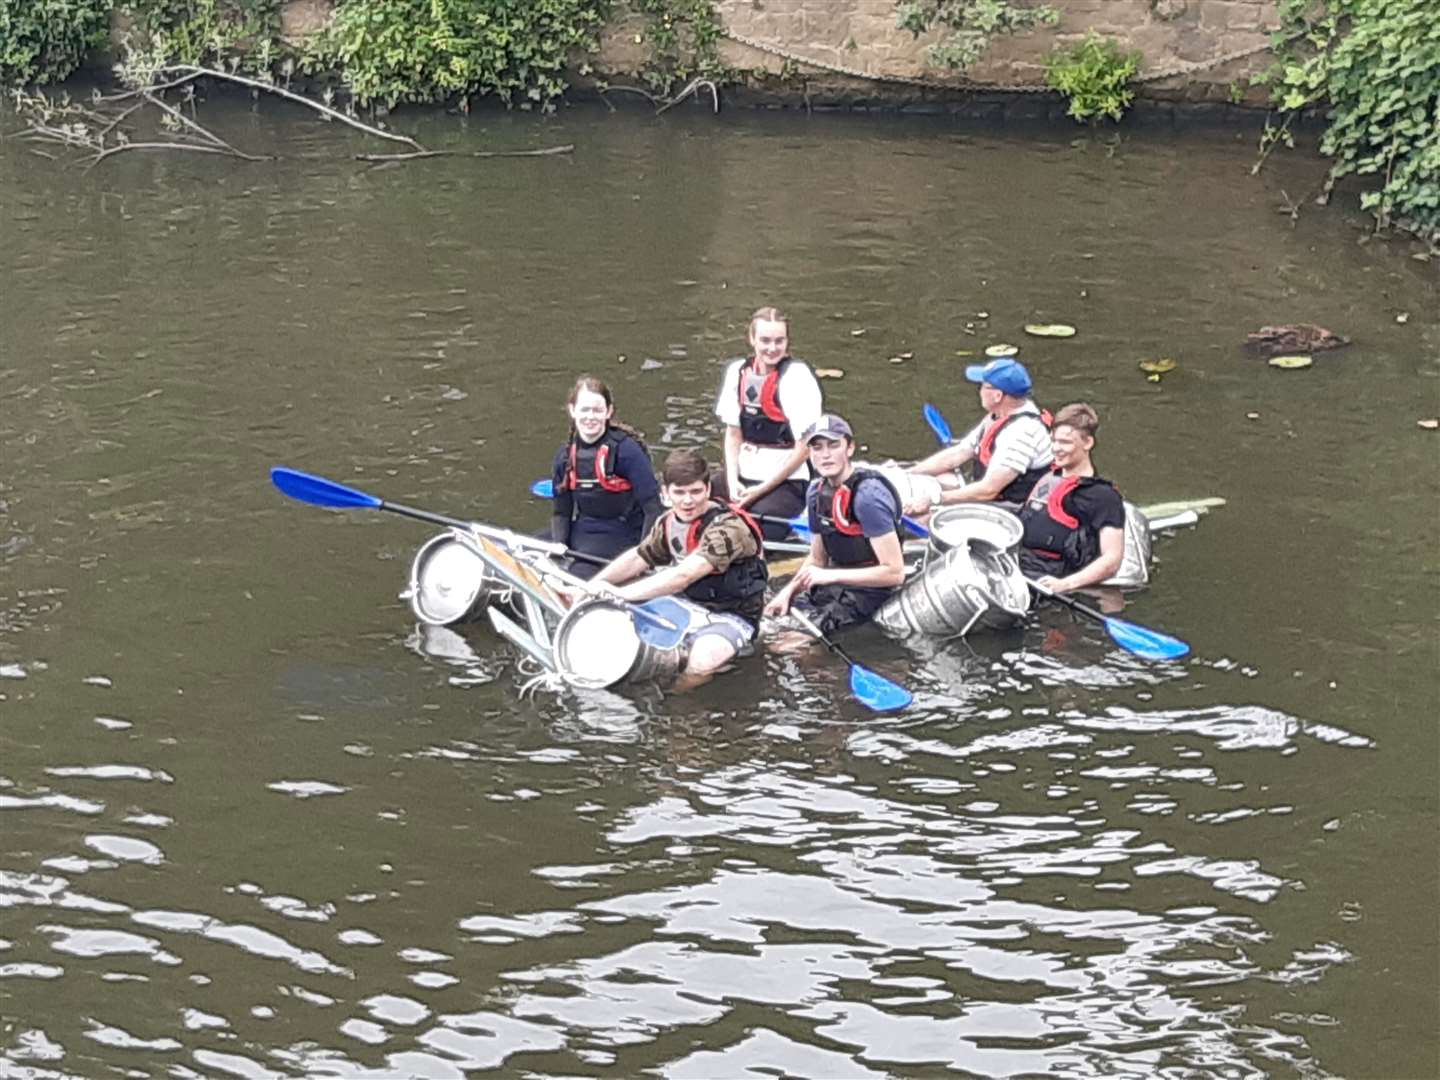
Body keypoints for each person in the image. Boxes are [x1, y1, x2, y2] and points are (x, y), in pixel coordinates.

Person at [588, 449, 768, 677]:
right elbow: (640, 557)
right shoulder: (668, 522)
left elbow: (684, 575)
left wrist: (620, 593)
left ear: (708, 490)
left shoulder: (729, 529)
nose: (688, 501)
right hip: (683, 605)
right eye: (679, 492)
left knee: (702, 662)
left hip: (732, 616)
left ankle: (679, 704)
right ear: (665, 493)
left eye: (696, 491)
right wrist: (592, 586)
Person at [764, 415, 906, 635]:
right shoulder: (815, 492)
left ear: (850, 448)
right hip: (833, 582)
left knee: (787, 645)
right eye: (817, 448)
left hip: (871, 591)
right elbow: (817, 558)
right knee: (771, 627)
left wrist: (831, 575)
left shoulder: (868, 498)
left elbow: (895, 573)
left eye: (833, 445)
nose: (825, 455)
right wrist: (788, 591)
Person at [714, 306, 824, 540]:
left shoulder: (797, 377)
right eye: (765, 340)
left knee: (753, 527)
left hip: (788, 481)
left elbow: (806, 447)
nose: (772, 348)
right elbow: (733, 434)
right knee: (697, 502)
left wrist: (761, 490)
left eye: (779, 341)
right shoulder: (738, 372)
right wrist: (732, 481)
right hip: (745, 473)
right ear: (752, 339)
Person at [549, 376, 662, 579]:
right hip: (584, 529)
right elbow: (561, 513)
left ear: (608, 412)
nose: (590, 417)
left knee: (577, 575)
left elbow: (653, 508)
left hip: (622, 533)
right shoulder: (564, 457)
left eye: (597, 410)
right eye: (584, 410)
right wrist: (559, 547)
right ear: (572, 410)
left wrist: (643, 557)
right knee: (527, 551)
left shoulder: (627, 451)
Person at [907, 356, 1053, 512]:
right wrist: (909, 472)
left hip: (1013, 509)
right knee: (939, 478)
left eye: (984, 386)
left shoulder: (1022, 432)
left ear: (997, 395)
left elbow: (989, 490)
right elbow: (958, 454)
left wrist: (936, 499)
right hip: (992, 497)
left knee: (924, 517)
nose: (980, 390)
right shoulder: (999, 415)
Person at [1018, 403, 1126, 593]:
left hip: (1050, 579)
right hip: (1018, 564)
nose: (1056, 448)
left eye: (1065, 442)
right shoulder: (1049, 477)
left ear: (1088, 443)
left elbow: (1112, 559)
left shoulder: (1102, 497)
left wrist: (1065, 584)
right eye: (1054, 441)